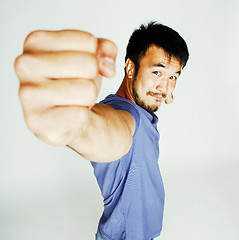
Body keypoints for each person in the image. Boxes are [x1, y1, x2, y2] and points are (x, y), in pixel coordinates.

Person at [15, 21, 189, 240]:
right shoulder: (126, 114)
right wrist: (75, 125)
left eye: (173, 77)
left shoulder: (140, 109)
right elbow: (112, 131)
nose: (164, 87)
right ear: (130, 68)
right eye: (157, 72)